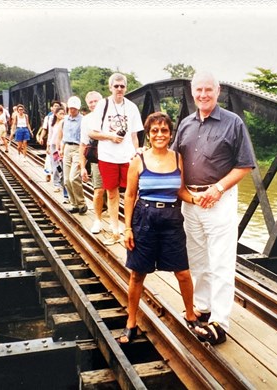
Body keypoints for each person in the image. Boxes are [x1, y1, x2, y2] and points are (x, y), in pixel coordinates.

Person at [171, 71, 255, 345]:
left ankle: (220, 320)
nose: (203, 95)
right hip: (191, 202)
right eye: (199, 90)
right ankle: (203, 307)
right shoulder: (185, 124)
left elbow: (244, 165)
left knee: (221, 262)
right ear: (192, 92)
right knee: (197, 261)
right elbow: (175, 162)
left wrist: (218, 188)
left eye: (209, 89)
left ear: (218, 91)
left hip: (219, 201)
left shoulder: (233, 123)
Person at [118, 112, 200, 344]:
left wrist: (198, 199)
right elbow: (130, 195)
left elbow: (181, 191)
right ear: (149, 134)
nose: (159, 134)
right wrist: (127, 229)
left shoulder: (177, 158)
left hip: (172, 219)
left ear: (170, 134)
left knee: (183, 273)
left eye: (164, 130)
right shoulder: (138, 161)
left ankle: (191, 315)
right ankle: (131, 322)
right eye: (154, 130)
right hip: (144, 219)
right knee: (137, 274)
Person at [89, 73, 144, 244]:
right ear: (110, 87)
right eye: (116, 86)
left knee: (131, 194)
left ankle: (129, 228)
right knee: (112, 194)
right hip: (108, 156)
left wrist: (137, 154)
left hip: (127, 157)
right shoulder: (102, 105)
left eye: (122, 86)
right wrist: (111, 137)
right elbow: (93, 132)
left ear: (125, 88)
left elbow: (134, 135)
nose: (119, 89)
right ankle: (114, 231)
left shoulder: (132, 107)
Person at [79, 91, 104, 233]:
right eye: (91, 103)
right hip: (97, 158)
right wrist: (82, 167)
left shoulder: (111, 114)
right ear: (88, 105)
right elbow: (83, 144)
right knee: (99, 190)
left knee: (115, 191)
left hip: (113, 158)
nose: (94, 104)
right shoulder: (86, 119)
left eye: (96, 101)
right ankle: (98, 220)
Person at [58, 96, 86, 214]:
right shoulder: (65, 120)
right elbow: (63, 136)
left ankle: (82, 203)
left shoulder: (83, 120)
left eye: (74, 108)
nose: (72, 110)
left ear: (78, 109)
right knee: (66, 180)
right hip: (67, 148)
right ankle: (74, 204)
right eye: (70, 108)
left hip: (78, 148)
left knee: (73, 177)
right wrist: (61, 149)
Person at [48, 107, 67, 194]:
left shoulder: (66, 123)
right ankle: (56, 184)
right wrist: (47, 146)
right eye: (60, 114)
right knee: (55, 165)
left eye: (63, 113)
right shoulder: (53, 123)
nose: (62, 115)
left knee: (63, 166)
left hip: (63, 146)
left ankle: (64, 184)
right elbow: (50, 134)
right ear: (56, 114)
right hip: (54, 146)